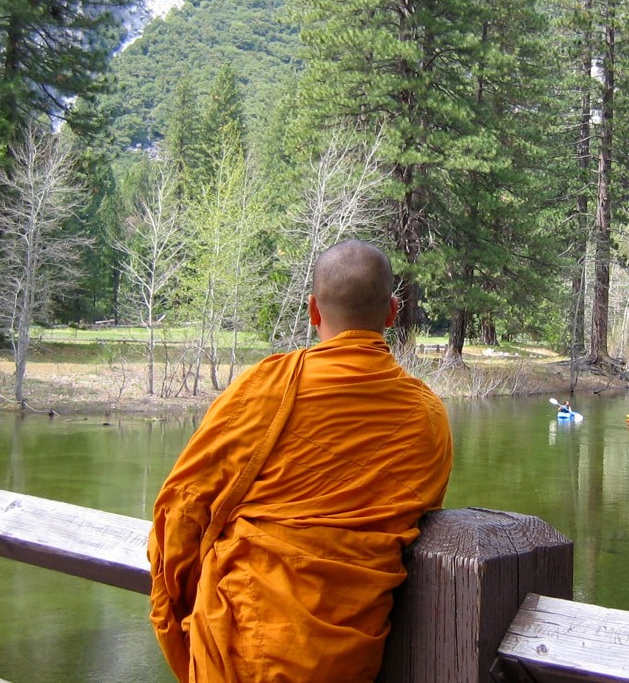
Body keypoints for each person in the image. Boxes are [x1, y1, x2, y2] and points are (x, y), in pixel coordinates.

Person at [148, 240, 454, 683]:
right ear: (391, 313)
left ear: (313, 311)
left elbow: (181, 507)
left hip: (244, 640)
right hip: (350, 657)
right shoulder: (427, 415)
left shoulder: (267, 385)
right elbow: (418, 516)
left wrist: (180, 611)